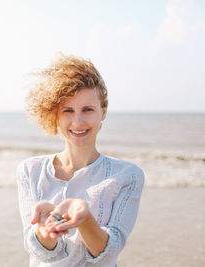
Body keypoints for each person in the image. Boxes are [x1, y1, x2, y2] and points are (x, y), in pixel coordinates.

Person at [17, 54, 144, 267]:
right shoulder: (30, 171)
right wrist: (46, 229)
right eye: (68, 110)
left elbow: (108, 255)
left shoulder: (128, 176)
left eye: (87, 109)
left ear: (102, 112)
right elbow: (40, 252)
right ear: (54, 115)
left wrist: (84, 219)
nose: (77, 121)